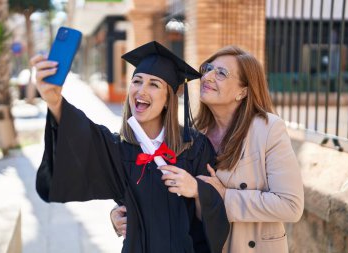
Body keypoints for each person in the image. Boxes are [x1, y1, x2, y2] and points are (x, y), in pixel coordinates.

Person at [32, 41, 229, 253]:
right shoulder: (119, 149)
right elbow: (80, 134)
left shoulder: (195, 147)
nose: (141, 90)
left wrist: (197, 190)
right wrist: (54, 100)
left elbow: (213, 218)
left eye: (154, 84)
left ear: (167, 100)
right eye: (137, 81)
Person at [111, 45, 304, 253]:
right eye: (208, 68)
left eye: (221, 73)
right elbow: (170, 198)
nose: (208, 77)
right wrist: (120, 212)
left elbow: (290, 205)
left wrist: (219, 196)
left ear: (243, 91)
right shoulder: (194, 138)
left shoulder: (267, 129)